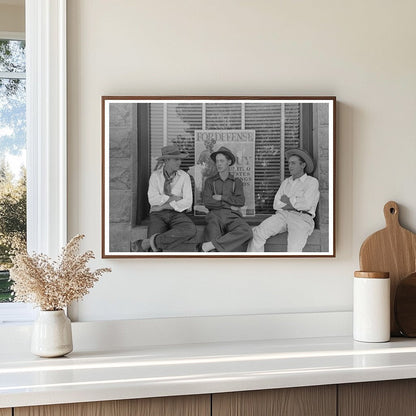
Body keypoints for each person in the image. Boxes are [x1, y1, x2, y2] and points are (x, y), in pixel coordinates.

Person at [247, 148, 320, 253]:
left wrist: (288, 201)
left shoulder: (311, 182)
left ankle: (290, 269)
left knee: (294, 249)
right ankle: (256, 265)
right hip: (282, 215)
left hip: (302, 218)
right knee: (257, 233)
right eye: (289, 163)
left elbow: (306, 204)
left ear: (303, 165)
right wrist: (294, 202)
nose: (290, 166)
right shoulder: (286, 182)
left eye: (293, 163)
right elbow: (276, 204)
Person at [131, 145, 196, 252]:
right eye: (176, 159)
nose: (179, 162)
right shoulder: (155, 176)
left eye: (180, 159)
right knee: (153, 252)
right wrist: (173, 198)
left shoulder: (184, 176)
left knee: (190, 230)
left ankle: (146, 243)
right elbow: (152, 199)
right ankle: (155, 247)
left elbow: (188, 202)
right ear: (166, 160)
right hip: (157, 215)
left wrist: (162, 206)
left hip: (176, 213)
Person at [201, 146, 252, 252]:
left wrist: (221, 197)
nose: (218, 164)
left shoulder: (236, 182)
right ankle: (212, 247)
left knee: (247, 231)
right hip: (215, 216)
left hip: (232, 216)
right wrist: (230, 205)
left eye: (221, 161)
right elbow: (208, 202)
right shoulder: (210, 181)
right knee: (213, 250)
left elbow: (240, 201)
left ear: (229, 162)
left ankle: (210, 245)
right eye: (217, 161)